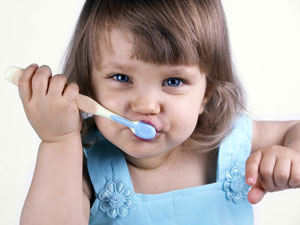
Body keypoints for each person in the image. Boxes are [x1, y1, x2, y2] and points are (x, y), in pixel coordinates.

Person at [18, 0, 300, 224]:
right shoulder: (81, 168)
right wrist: (58, 142)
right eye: (120, 78)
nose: (146, 106)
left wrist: (293, 157)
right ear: (89, 88)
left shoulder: (231, 141)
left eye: (173, 81)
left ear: (206, 94)